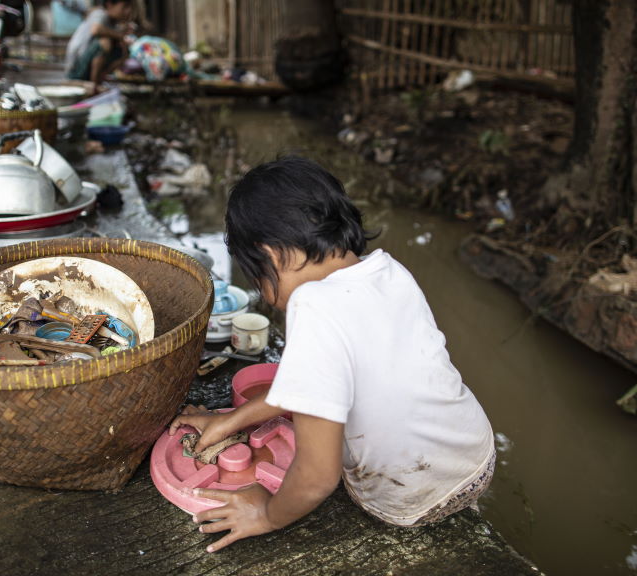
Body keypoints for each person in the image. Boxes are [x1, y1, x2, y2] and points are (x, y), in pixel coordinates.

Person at [169, 156, 495, 553]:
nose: (270, 300)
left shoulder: (311, 306)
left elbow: (318, 476)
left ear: (269, 257)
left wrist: (268, 513)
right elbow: (314, 385)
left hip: (412, 499)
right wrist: (232, 420)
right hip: (476, 457)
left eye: (257, 279)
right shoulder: (390, 273)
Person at [64, 0, 134, 88]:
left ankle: (99, 79)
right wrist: (120, 36)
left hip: (87, 66)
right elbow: (96, 29)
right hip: (76, 68)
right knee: (104, 42)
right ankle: (94, 85)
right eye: (124, 7)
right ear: (109, 5)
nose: (128, 11)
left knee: (122, 49)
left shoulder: (113, 22)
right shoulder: (99, 13)